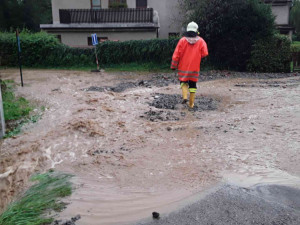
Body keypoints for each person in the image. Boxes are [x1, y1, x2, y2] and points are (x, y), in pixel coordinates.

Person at [171, 21, 208, 109]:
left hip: (183, 67)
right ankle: (191, 104)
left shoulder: (182, 40)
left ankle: (184, 97)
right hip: (195, 68)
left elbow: (176, 55)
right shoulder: (201, 41)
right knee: (193, 85)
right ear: (196, 30)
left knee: (183, 81)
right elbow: (205, 53)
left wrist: (173, 66)